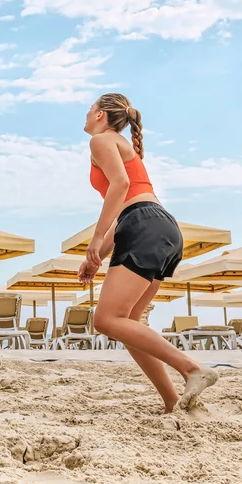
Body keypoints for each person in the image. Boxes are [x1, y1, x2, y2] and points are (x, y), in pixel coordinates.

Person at [77, 93, 218, 413]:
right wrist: (95, 257)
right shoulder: (120, 145)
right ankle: (172, 402)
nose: (86, 114)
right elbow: (131, 205)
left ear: (101, 115)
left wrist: (95, 239)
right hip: (158, 226)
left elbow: (121, 186)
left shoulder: (102, 141)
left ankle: (191, 368)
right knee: (128, 324)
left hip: (143, 225)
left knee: (106, 319)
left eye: (89, 109)